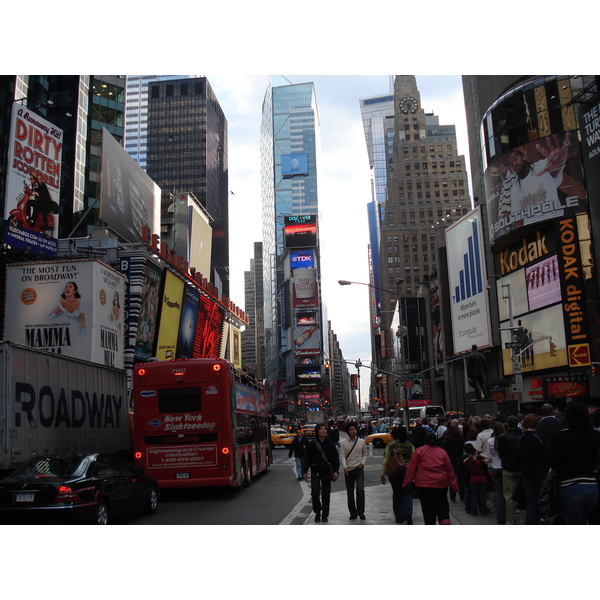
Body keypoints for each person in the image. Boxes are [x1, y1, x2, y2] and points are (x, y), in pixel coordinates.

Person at [551, 402, 600, 525]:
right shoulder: (595, 435)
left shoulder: (561, 436)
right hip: (592, 484)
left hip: (570, 485)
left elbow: (555, 463)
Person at [402, 432, 459, 524]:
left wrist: (406, 482)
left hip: (423, 483)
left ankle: (430, 523)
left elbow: (411, 468)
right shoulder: (442, 452)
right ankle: (444, 520)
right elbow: (449, 470)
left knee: (427, 507)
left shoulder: (419, 451)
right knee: (442, 504)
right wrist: (454, 485)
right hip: (440, 483)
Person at [516, 413, 551, 525]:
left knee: (530, 504)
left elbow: (518, 456)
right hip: (541, 473)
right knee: (543, 502)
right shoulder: (541, 438)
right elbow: (548, 454)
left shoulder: (521, 439)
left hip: (527, 474)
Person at [303, 423, 339, 523]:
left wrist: (336, 471)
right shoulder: (312, 444)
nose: (323, 431)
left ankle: (325, 515)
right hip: (315, 471)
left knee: (326, 494)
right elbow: (308, 458)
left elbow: (335, 458)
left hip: (327, 471)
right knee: (315, 492)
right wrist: (305, 471)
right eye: (321, 429)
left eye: (324, 429)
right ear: (317, 431)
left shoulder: (331, 444)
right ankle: (317, 512)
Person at [381, 426, 414, 524]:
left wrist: (383, 473)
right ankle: (408, 514)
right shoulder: (410, 445)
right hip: (406, 471)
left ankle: (398, 516)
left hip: (394, 472)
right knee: (407, 493)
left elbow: (386, 459)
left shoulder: (391, 445)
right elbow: (413, 460)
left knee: (397, 493)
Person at [497, 415, 524, 525]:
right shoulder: (522, 436)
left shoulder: (503, 437)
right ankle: (523, 520)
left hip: (508, 468)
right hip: (521, 467)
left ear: (508, 424)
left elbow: (500, 453)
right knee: (522, 495)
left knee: (508, 496)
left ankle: (510, 520)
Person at [339, 421, 367, 520]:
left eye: (354, 429)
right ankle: (353, 513)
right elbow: (342, 456)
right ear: (348, 431)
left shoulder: (362, 442)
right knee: (350, 493)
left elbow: (364, 454)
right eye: (351, 430)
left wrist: (362, 463)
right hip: (348, 470)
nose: (353, 431)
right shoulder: (343, 443)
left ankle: (361, 511)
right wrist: (345, 467)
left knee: (360, 490)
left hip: (359, 469)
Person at [486, 422, 507, 524]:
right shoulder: (505, 439)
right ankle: (509, 514)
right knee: (507, 492)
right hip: (505, 467)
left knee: (498, 492)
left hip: (495, 467)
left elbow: (489, 457)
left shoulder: (490, 441)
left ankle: (500, 516)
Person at [463, 442, 489, 516]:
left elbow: (464, 461)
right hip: (481, 479)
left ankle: (474, 511)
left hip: (473, 479)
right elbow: (488, 460)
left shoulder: (468, 462)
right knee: (482, 496)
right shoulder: (479, 461)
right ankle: (483, 510)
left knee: (473, 496)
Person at [442, 424, 465, 502]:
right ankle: (462, 495)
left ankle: (452, 495)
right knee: (460, 479)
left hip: (450, 461)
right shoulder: (461, 440)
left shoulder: (447, 440)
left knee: (451, 479)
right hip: (459, 460)